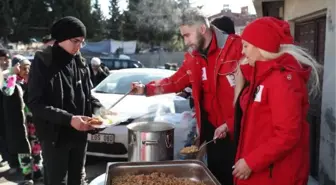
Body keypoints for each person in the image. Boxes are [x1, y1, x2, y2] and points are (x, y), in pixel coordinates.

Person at [132, 8, 242, 185]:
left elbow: (249, 94)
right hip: (212, 133)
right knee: (215, 178)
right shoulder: (193, 57)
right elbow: (176, 81)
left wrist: (230, 124)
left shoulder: (235, 47)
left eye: (187, 35)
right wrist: (146, 89)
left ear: (202, 29)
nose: (185, 42)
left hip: (238, 131)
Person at [232, 17, 321, 185]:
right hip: (263, 170)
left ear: (261, 47)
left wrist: (251, 162)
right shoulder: (261, 77)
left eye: (245, 46)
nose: (242, 52)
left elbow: (287, 134)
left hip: (275, 175)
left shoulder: (282, 80)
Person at [27, 16, 103, 185]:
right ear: (61, 38)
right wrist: (69, 120)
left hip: (79, 135)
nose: (79, 46)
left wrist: (99, 112)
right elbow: (35, 103)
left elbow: (87, 95)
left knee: (77, 180)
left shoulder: (80, 61)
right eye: (75, 41)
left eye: (82, 42)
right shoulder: (44, 61)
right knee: (56, 181)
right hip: (55, 137)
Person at [2, 55, 43, 185]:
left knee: (36, 149)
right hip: (20, 124)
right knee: (23, 151)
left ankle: (37, 173)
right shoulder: (11, 82)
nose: (27, 71)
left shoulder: (34, 82)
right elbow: (7, 91)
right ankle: (27, 176)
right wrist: (11, 74)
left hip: (34, 122)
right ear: (17, 69)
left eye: (29, 68)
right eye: (24, 68)